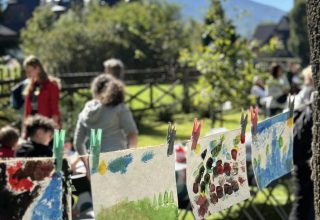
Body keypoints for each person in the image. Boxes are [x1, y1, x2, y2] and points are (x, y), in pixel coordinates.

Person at [23, 55, 61, 127]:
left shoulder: (52, 84)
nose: (27, 74)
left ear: (38, 69)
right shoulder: (30, 86)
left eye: (29, 71)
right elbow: (26, 112)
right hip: (34, 126)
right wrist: (24, 131)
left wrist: (54, 129)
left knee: (59, 138)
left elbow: (55, 110)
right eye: (26, 72)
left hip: (50, 125)